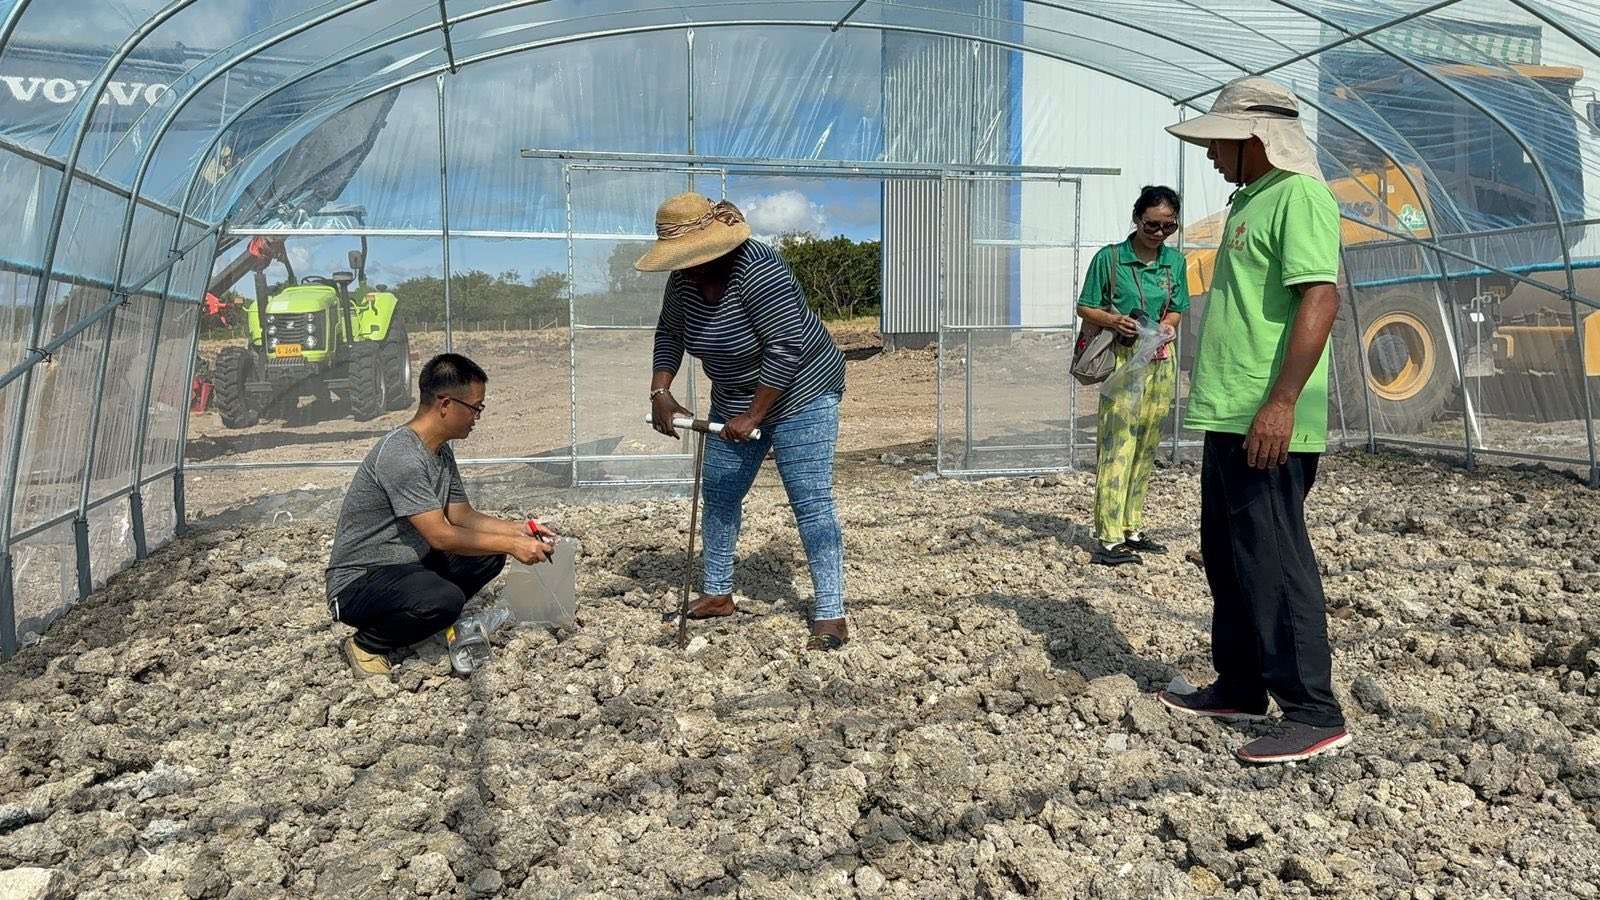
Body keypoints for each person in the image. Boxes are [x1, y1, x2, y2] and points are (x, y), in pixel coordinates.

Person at [1155, 76, 1353, 763]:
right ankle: (1240, 685)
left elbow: (1319, 300)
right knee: (1229, 553)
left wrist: (1281, 402)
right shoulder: (1252, 200)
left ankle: (1314, 711)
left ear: (1257, 141)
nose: (1212, 155)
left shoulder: (1299, 196)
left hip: (1267, 416)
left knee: (1274, 558)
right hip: (1231, 412)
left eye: (1221, 143)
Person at [639, 192, 849, 651]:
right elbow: (670, 333)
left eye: (692, 257)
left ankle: (831, 612)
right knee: (719, 491)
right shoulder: (683, 283)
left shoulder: (760, 270)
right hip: (734, 396)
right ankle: (718, 592)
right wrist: (660, 391)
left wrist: (755, 416)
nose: (687, 267)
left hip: (803, 392)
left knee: (810, 500)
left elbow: (784, 347)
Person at [325, 353, 555, 678]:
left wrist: (520, 531)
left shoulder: (440, 451)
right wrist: (513, 545)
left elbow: (462, 516)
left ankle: (422, 617)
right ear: (445, 404)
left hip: (405, 566)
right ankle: (367, 644)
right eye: (475, 407)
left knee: (488, 556)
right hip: (360, 581)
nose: (477, 417)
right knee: (445, 600)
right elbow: (440, 535)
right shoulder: (401, 455)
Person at [1077, 185, 1188, 566]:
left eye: (1167, 227)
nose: (1158, 233)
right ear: (1136, 218)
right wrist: (1115, 320)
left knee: (1146, 446)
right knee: (1118, 445)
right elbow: (1085, 307)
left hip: (1158, 360)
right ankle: (1108, 537)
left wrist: (1168, 327)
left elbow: (1175, 309)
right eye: (1151, 225)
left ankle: (1132, 527)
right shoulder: (1110, 260)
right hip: (1123, 362)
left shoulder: (1174, 263)